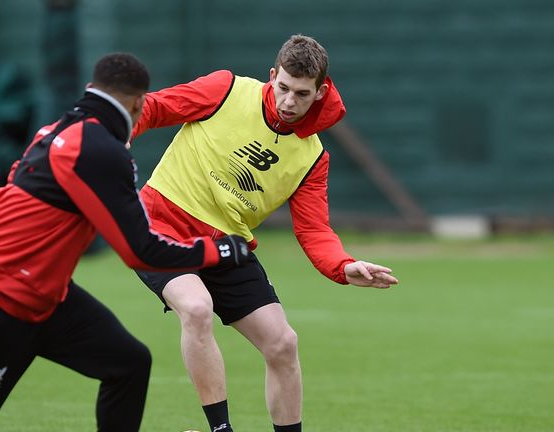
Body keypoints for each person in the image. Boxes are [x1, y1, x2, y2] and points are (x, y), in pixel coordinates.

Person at [0, 53, 249, 432]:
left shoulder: (59, 131)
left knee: (127, 364)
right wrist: (219, 250)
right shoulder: (98, 148)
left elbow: (6, 201)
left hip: (43, 296)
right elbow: (139, 249)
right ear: (137, 103)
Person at [132, 35, 399, 432]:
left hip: (226, 244)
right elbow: (152, 108)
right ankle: (220, 430)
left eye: (302, 94)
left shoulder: (312, 157)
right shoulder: (225, 90)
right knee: (197, 307)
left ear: (320, 92)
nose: (289, 101)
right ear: (272, 76)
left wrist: (342, 266)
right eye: (283, 88)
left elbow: (314, 229)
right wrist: (106, 139)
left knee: (283, 343)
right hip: (160, 224)